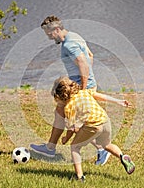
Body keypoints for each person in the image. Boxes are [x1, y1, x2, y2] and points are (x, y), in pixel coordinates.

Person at [30, 15, 112, 165]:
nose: (49, 38)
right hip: (83, 84)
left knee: (71, 117)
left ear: (56, 29)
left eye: (49, 34)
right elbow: (90, 56)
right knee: (63, 114)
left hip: (80, 86)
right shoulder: (76, 36)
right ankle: (51, 147)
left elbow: (83, 63)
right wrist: (89, 78)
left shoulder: (68, 44)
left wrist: (83, 86)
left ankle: (100, 149)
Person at [52, 76, 135, 182]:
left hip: (93, 125)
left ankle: (79, 177)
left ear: (62, 97)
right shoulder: (83, 92)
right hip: (105, 120)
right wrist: (118, 101)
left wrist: (65, 139)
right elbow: (100, 96)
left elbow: (72, 129)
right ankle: (122, 156)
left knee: (74, 147)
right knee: (106, 145)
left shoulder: (68, 107)